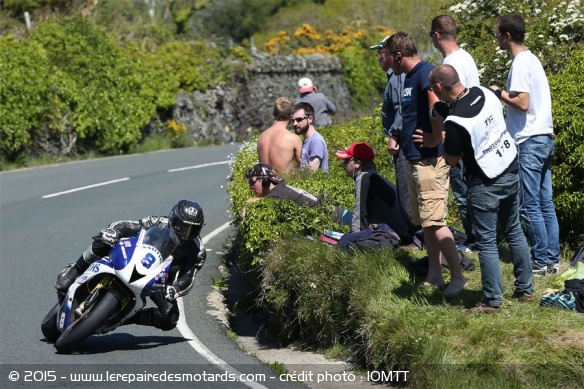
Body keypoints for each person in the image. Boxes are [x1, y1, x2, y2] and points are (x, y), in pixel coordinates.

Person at [430, 64, 533, 313]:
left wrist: (444, 134)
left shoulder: (455, 123)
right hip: (510, 166)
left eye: (435, 89)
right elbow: (474, 110)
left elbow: (452, 158)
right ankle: (525, 288)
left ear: (439, 87)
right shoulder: (484, 90)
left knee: (486, 241)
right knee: (514, 230)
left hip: (484, 181)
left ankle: (492, 301)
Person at [385, 32, 467, 295]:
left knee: (436, 222)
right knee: (426, 223)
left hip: (430, 160)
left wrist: (435, 137)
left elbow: (437, 107)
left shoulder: (423, 73)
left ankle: (457, 276)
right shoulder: (408, 77)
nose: (388, 63)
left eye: (389, 57)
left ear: (399, 55)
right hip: (415, 159)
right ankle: (435, 273)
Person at [54, 200, 206, 331]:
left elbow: (188, 277)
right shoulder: (157, 222)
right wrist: (113, 231)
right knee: (104, 240)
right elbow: (126, 225)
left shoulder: (197, 251)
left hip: (159, 282)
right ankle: (75, 270)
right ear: (173, 219)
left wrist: (175, 289)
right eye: (182, 226)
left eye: (192, 230)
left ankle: (119, 318)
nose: (186, 234)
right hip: (132, 260)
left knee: (170, 317)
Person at [490, 14, 560, 277]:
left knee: (529, 205)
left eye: (497, 33)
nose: (496, 38)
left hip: (529, 140)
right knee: (545, 203)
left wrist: (498, 92)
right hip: (544, 137)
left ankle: (540, 262)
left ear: (507, 35)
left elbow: (522, 103)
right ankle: (552, 260)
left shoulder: (520, 62)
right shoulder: (532, 59)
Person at [430, 15, 481, 249]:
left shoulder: (451, 64)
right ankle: (480, 238)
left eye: (431, 35)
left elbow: (457, 99)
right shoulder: (466, 57)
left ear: (437, 35)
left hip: (460, 134)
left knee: (464, 192)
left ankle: (474, 240)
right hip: (475, 130)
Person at [371, 35, 416, 237]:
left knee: (408, 198)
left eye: (380, 54)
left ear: (388, 54)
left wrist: (394, 135)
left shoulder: (400, 76)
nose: (378, 59)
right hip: (402, 141)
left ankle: (425, 239)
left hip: (405, 142)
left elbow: (403, 108)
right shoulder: (392, 76)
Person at [335, 142, 412, 244]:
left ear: (357, 163)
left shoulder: (364, 177)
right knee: (341, 214)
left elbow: (359, 216)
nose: (343, 165)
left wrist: (353, 239)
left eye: (346, 161)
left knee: (336, 214)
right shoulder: (371, 175)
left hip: (396, 235)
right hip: (403, 232)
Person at [242, 163, 352, 225]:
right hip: (340, 214)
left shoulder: (278, 195)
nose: (250, 186)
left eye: (252, 182)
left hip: (340, 219)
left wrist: (247, 202)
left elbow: (248, 212)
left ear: (265, 181)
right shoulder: (280, 187)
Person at [257, 96, 302, 175]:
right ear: (291, 115)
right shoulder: (293, 139)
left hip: (266, 186)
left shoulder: (261, 137)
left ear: (273, 113)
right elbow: (303, 168)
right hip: (285, 185)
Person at [291, 102, 329, 172]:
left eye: (299, 119)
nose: (295, 123)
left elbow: (311, 174)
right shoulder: (307, 140)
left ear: (310, 119)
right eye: (293, 120)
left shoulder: (316, 141)